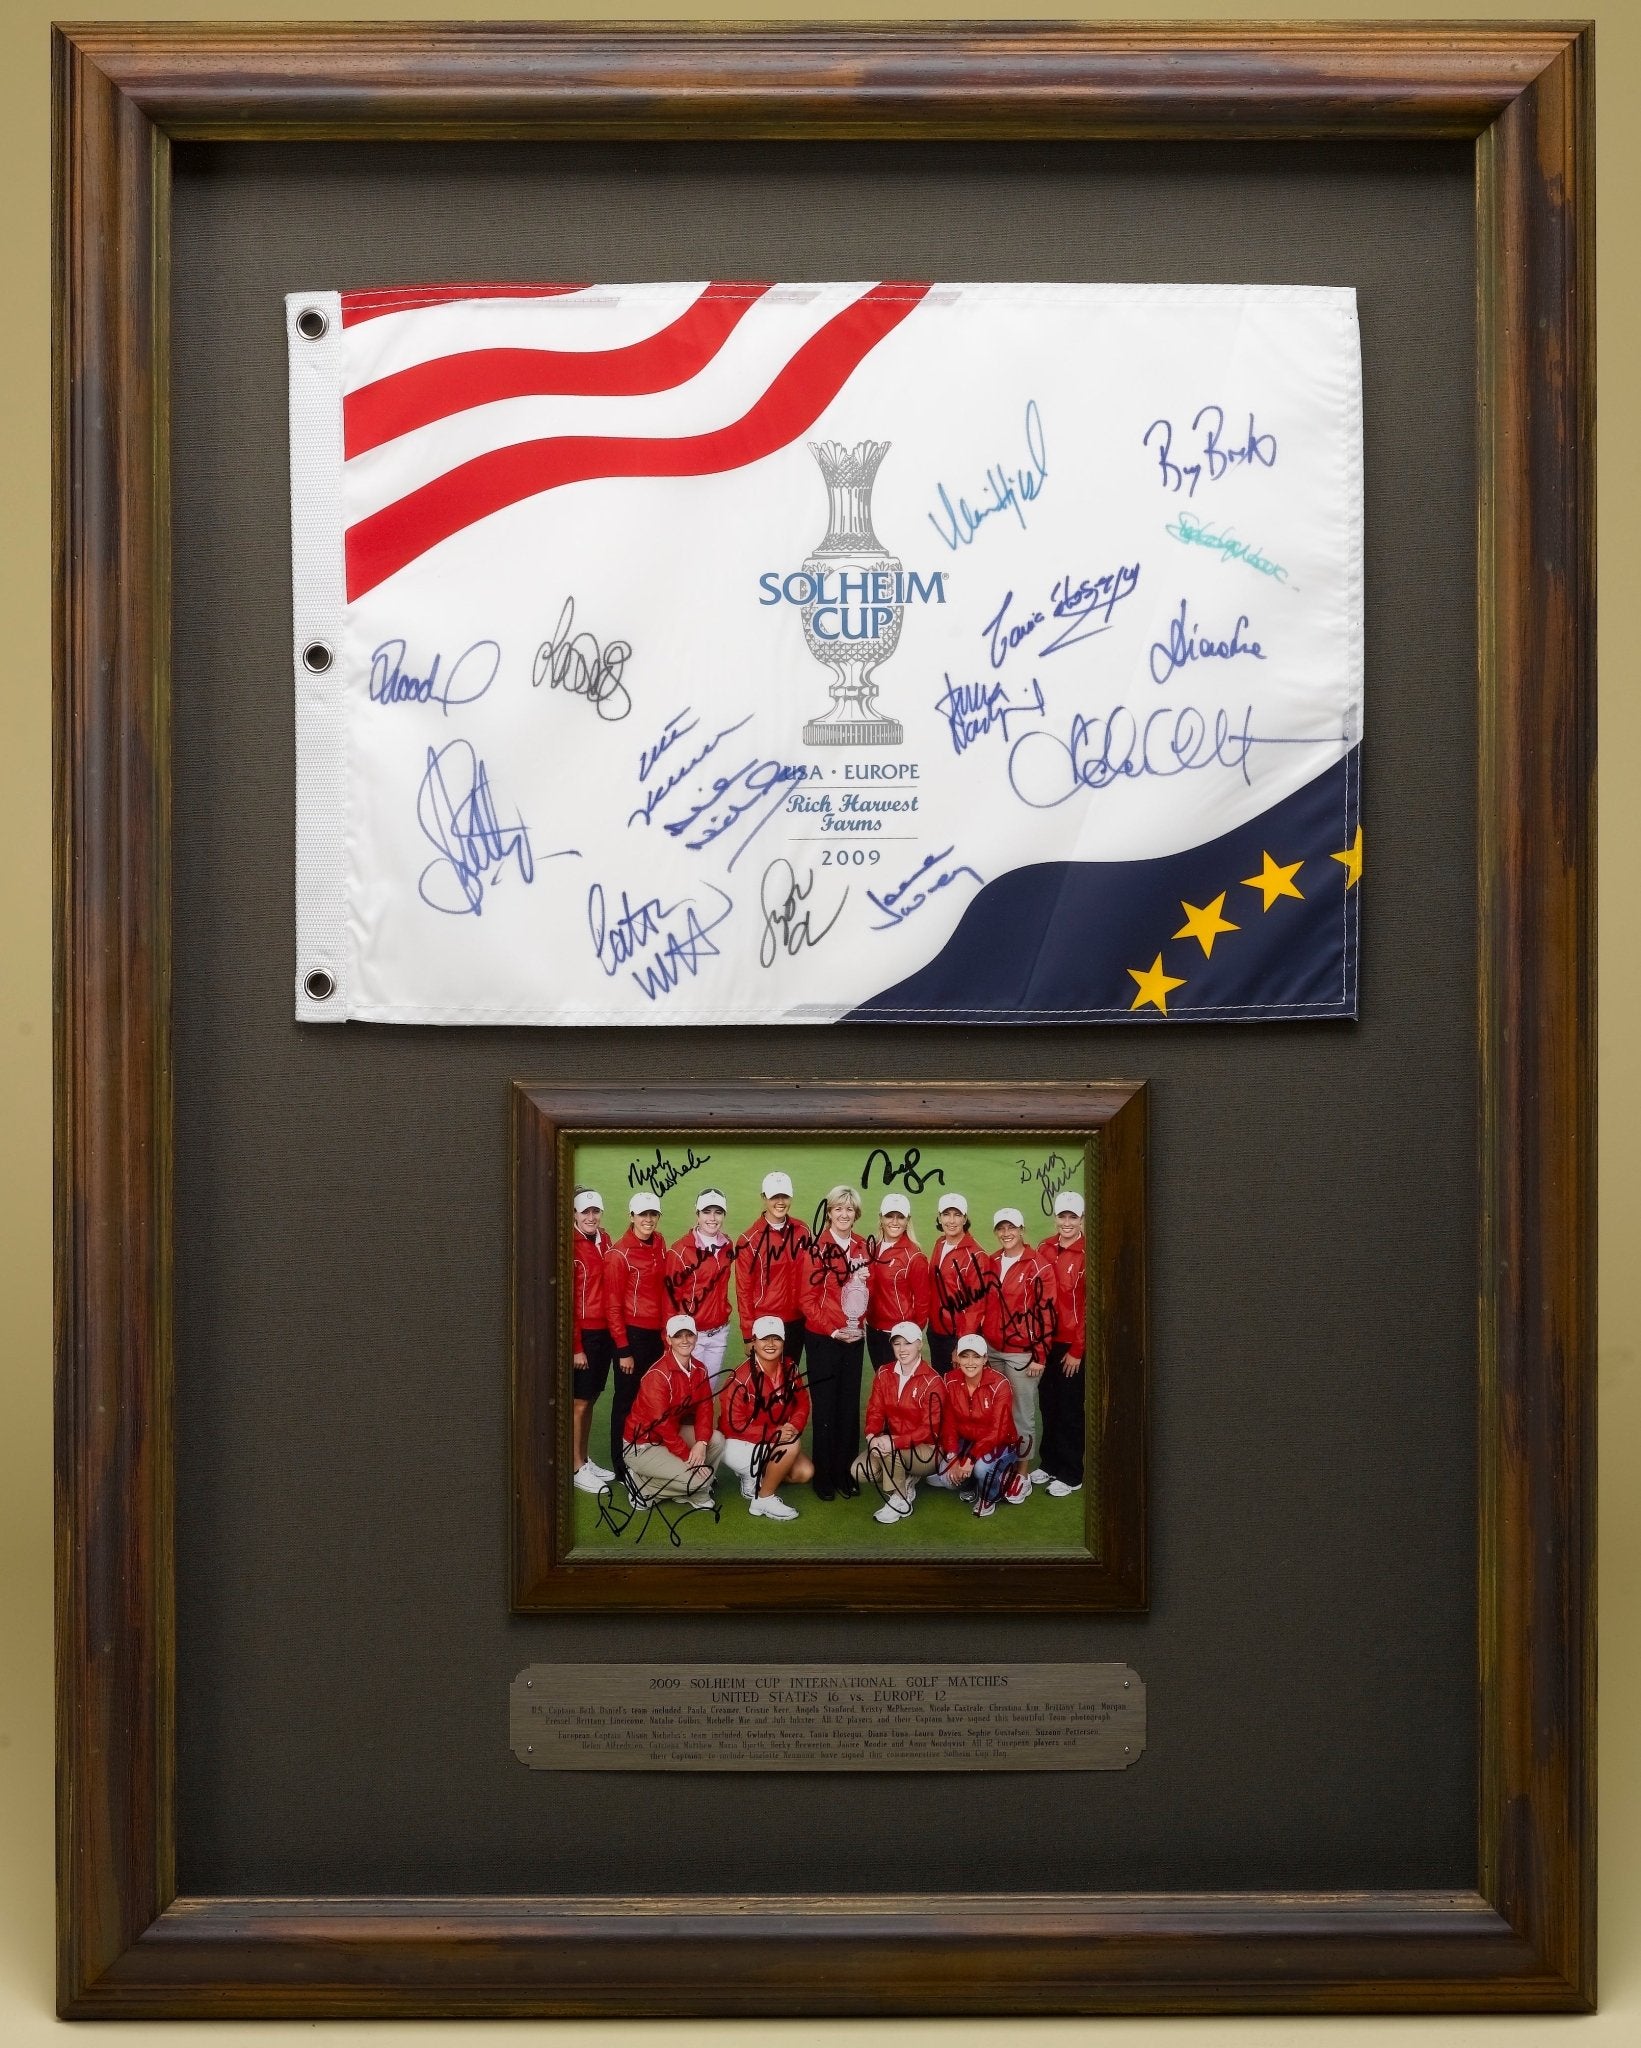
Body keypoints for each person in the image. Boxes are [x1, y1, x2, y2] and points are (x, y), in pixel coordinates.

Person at [799, 1184, 872, 1500]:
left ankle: (845, 1472)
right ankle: (824, 1475)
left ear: (856, 1214)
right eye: (837, 1209)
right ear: (829, 1213)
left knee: (848, 1405)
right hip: (824, 1339)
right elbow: (806, 1299)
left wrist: (860, 1324)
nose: (844, 1214)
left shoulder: (861, 1247)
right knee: (826, 1407)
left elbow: (866, 1295)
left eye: (849, 1209)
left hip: (854, 1339)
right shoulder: (816, 1248)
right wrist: (832, 1329)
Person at [983, 1207, 1056, 1506]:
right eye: (1001, 1228)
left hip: (1022, 1353)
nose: (1006, 1233)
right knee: (997, 1412)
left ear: (1022, 1228)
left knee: (1022, 1414)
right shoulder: (991, 1261)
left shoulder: (1039, 1266)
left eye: (1011, 1227)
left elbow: (1046, 1314)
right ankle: (1004, 1465)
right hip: (992, 1349)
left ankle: (1022, 1474)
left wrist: (1039, 1354)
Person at [621, 1313, 724, 1511]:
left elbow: (705, 1407)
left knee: (716, 1440)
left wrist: (701, 1442)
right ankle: (641, 1486)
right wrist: (689, 1458)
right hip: (642, 1445)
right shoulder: (658, 1376)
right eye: (678, 1336)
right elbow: (663, 1425)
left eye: (689, 1335)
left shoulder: (699, 1369)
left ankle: (685, 1486)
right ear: (668, 1339)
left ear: (696, 1337)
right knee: (702, 1481)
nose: (685, 1340)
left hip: (669, 1438)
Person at [603, 1190, 669, 1488]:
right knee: (626, 1400)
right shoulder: (618, 1254)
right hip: (631, 1336)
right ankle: (621, 1463)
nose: (648, 1220)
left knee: (652, 1397)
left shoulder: (660, 1243)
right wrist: (623, 1349)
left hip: (657, 1335)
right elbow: (612, 1305)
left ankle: (647, 1453)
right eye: (643, 1214)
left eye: (653, 1214)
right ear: (632, 1217)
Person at [718, 1313, 814, 1521]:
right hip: (738, 1444)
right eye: (764, 1339)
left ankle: (760, 1475)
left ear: (783, 1341)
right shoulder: (740, 1377)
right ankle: (763, 1498)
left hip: (771, 1441)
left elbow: (802, 1403)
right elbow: (733, 1426)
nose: (770, 1344)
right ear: (753, 1342)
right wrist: (775, 1433)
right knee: (790, 1446)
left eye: (776, 1338)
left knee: (804, 1472)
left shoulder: (790, 1368)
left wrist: (794, 1426)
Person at [853, 1321, 947, 1523]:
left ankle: (900, 1499)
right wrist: (871, 1436)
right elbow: (875, 1411)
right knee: (860, 1471)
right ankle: (907, 1478)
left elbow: (927, 1429)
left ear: (919, 1344)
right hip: (896, 1445)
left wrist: (894, 1442)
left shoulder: (933, 1381)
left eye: (908, 1343)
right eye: (897, 1344)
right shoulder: (884, 1373)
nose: (902, 1349)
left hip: (929, 1450)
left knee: (890, 1449)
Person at [927, 1331, 1021, 1517]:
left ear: (985, 1358)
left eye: (976, 1356)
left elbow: (998, 1431)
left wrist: (970, 1458)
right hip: (968, 1440)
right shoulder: (950, 1379)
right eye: (965, 1356)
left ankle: (991, 1494)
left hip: (999, 1443)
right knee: (947, 1476)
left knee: (981, 1468)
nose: (970, 1362)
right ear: (957, 1358)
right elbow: (949, 1423)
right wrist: (953, 1456)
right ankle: (972, 1484)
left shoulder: (1000, 1384)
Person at [734, 1171, 813, 1377]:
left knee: (789, 1380)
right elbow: (743, 1290)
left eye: (784, 1196)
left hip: (797, 1322)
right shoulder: (748, 1240)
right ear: (764, 1198)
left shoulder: (803, 1230)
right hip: (764, 1323)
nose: (780, 1202)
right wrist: (747, 1335)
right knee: (765, 1385)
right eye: (774, 1197)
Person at [1035, 1188, 1088, 1496]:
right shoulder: (1044, 1248)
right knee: (1049, 1404)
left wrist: (1077, 1350)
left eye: (1073, 1217)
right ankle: (1050, 1463)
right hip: (1046, 1342)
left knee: (1069, 1409)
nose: (1067, 1222)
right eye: (1062, 1216)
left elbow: (1088, 1306)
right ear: (1055, 1218)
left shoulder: (1086, 1254)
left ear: (1081, 1219)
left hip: (1071, 1345)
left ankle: (1071, 1472)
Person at [569, 1189, 616, 1496]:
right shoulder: (569, 1247)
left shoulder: (606, 1240)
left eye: (595, 1211)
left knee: (593, 1397)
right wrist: (576, 1347)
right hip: (584, 1335)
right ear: (573, 1214)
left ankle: (584, 1458)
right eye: (584, 1212)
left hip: (606, 1333)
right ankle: (575, 1466)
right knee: (580, 1402)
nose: (591, 1217)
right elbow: (568, 1301)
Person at [666, 1187, 735, 1395]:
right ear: (697, 1214)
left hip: (719, 1334)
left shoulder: (727, 1246)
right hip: (689, 1337)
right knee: (686, 1399)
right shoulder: (679, 1251)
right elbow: (670, 1301)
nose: (712, 1218)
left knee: (708, 1395)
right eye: (707, 1212)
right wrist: (670, 1341)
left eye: (718, 1212)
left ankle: (702, 1430)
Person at [927, 1192, 993, 1377]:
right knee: (941, 1384)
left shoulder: (977, 1256)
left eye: (957, 1215)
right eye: (946, 1214)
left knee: (959, 1391)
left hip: (957, 1335)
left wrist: (963, 1345)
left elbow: (975, 1308)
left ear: (965, 1218)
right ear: (939, 1218)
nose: (951, 1220)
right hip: (936, 1331)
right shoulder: (940, 1244)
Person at [865, 1193, 931, 1368]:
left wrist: (911, 1337)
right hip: (873, 1329)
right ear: (881, 1218)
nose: (894, 1222)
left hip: (899, 1334)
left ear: (907, 1220)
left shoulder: (914, 1256)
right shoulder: (870, 1248)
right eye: (889, 1216)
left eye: (900, 1217)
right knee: (882, 1382)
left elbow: (923, 1303)